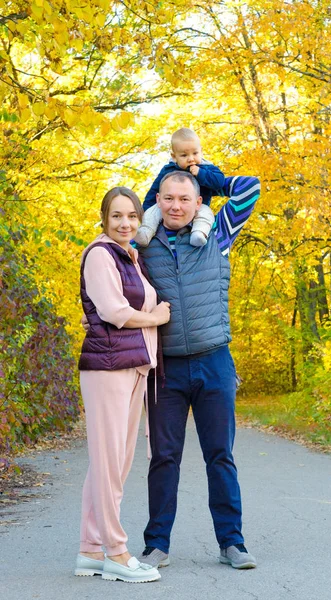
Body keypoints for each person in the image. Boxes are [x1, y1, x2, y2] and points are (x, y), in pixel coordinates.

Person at [136, 170, 261, 570]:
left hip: (214, 361)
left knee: (220, 455)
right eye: (167, 198)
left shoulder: (218, 233)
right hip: (166, 368)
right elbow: (105, 270)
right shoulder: (142, 240)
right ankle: (156, 544)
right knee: (164, 457)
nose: (175, 206)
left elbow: (249, 188)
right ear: (157, 199)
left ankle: (232, 543)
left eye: (185, 199)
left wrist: (198, 172)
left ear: (198, 202)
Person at [75, 186, 171, 584]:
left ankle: (90, 550)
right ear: (103, 218)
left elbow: (115, 307)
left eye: (132, 216)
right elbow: (115, 312)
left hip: (132, 366)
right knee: (109, 462)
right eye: (117, 216)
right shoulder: (100, 253)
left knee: (114, 463)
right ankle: (116, 552)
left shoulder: (129, 255)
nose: (125, 223)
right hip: (108, 369)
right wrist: (158, 317)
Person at [134, 127, 225, 248]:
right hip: (167, 208)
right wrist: (146, 210)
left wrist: (201, 173)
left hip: (197, 208)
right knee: (153, 212)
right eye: (184, 155)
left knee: (206, 214)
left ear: (201, 151)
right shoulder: (168, 170)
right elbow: (154, 191)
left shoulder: (207, 168)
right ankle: (146, 232)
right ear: (174, 156)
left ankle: (199, 234)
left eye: (195, 153)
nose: (191, 158)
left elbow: (219, 182)